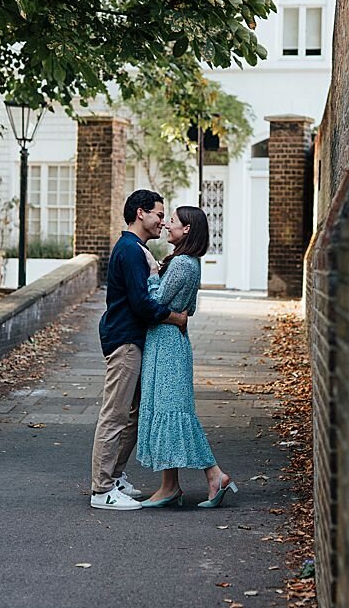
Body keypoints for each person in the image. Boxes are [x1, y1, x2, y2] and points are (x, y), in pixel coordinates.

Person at [89, 189, 189, 511]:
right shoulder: (130, 251)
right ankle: (101, 490)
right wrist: (176, 318)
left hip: (133, 340)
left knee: (133, 415)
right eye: (159, 214)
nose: (162, 221)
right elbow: (142, 303)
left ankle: (114, 477)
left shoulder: (137, 249)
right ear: (141, 213)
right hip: (125, 341)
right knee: (115, 415)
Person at [134, 205, 238, 509]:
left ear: (187, 229)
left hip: (167, 346)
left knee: (173, 414)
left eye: (174, 222)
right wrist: (174, 315)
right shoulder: (188, 262)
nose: (167, 225)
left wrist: (153, 273)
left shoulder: (181, 264)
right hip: (167, 342)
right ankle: (170, 486)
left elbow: (154, 302)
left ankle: (214, 475)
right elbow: (186, 309)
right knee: (168, 413)